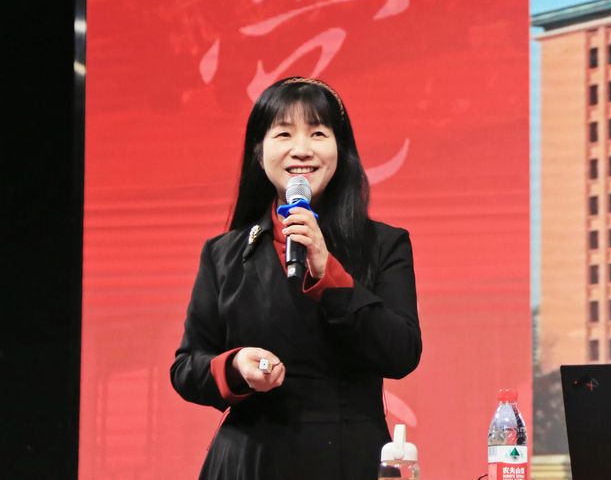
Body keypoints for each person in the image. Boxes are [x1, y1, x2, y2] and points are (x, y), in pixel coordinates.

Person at [170, 77, 422, 480]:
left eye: (318, 133)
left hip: (348, 458)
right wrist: (235, 367)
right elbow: (186, 367)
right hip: (248, 462)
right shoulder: (223, 254)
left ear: (341, 150)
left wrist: (329, 274)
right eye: (284, 133)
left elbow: (401, 352)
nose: (301, 149)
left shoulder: (384, 245)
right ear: (259, 151)